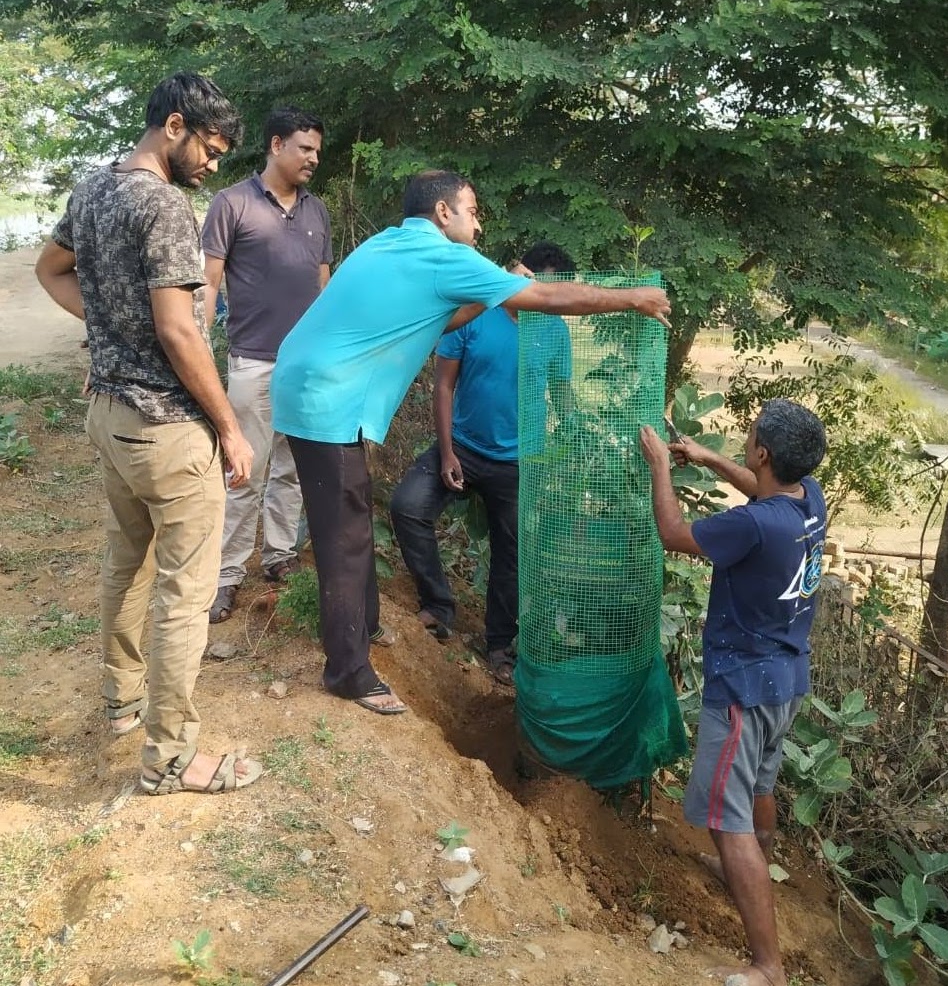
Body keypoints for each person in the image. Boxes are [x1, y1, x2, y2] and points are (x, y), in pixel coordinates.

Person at [271, 169, 671, 717]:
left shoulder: (388, 243)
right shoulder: (442, 257)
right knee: (342, 538)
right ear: (443, 213)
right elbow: (547, 296)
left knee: (353, 519)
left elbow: (441, 316)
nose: (478, 224)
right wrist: (632, 299)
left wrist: (491, 289)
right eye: (473, 210)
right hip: (326, 400)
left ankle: (362, 629)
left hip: (312, 386)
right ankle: (348, 673)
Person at [35, 72, 263, 796]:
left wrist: (107, 333)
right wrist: (228, 426)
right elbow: (176, 328)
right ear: (174, 126)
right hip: (165, 429)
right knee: (183, 590)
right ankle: (170, 759)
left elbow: (51, 271)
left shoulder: (94, 189)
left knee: (125, 561)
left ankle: (120, 700)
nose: (214, 164)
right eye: (211, 147)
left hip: (108, 417)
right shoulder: (164, 206)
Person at [639, 399, 827, 986]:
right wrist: (707, 456)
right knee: (761, 782)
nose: (746, 445)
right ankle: (747, 868)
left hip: (744, 688)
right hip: (787, 680)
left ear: (764, 451)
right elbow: (760, 488)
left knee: (725, 818)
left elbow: (673, 534)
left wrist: (661, 467)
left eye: (749, 440)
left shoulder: (751, 525)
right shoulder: (807, 499)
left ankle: (767, 967)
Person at [389, 241, 577, 685]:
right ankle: (438, 606)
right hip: (463, 447)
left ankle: (499, 645)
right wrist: (448, 452)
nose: (546, 300)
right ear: (523, 275)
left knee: (510, 554)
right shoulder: (477, 312)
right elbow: (443, 387)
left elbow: (564, 400)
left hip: (518, 463)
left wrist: (573, 451)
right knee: (407, 506)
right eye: (541, 287)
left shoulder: (554, 331)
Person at [202, 105, 332, 623]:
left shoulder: (316, 211)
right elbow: (207, 284)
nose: (313, 159)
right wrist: (196, 343)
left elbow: (322, 287)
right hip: (252, 362)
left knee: (292, 469)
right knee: (244, 471)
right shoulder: (231, 203)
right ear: (276, 145)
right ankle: (227, 575)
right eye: (305, 148)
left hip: (304, 366)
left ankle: (279, 556)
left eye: (317, 151)